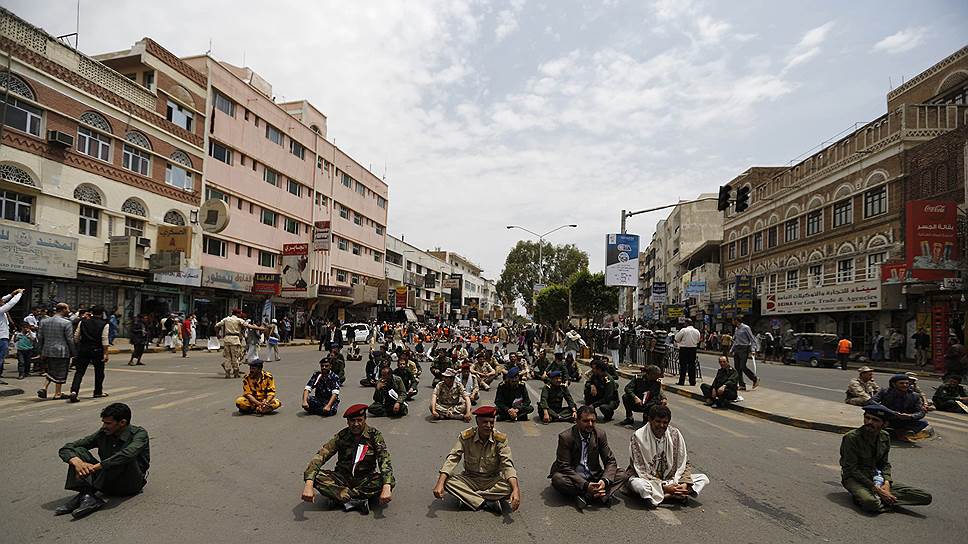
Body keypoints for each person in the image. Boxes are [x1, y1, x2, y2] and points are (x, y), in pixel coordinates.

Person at [55, 403, 149, 519]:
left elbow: (127, 454)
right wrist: (76, 462)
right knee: (79, 452)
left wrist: (93, 468)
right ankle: (86, 495)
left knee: (123, 457)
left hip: (129, 485)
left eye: (108, 423)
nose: (104, 426)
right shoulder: (103, 433)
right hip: (107, 482)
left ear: (122, 423)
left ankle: (86, 495)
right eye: (103, 422)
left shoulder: (139, 434)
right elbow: (68, 447)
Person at [301, 404, 395, 514]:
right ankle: (358, 501)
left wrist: (386, 487)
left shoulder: (374, 435)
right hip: (342, 479)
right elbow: (321, 456)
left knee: (388, 480)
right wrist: (308, 484)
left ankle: (339, 498)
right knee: (315, 477)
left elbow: (384, 459)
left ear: (365, 419)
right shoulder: (342, 436)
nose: (356, 424)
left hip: (365, 479)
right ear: (347, 422)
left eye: (359, 420)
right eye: (352, 421)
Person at [839, 405, 932, 514]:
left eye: (875, 420)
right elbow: (851, 469)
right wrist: (877, 489)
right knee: (870, 503)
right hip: (854, 478)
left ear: (885, 424)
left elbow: (884, 464)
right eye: (867, 418)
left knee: (925, 497)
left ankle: (882, 499)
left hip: (876, 476)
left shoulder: (885, 436)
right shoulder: (852, 437)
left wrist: (887, 483)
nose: (869, 422)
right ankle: (876, 498)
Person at [433, 405, 521, 514]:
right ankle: (487, 502)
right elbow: (453, 458)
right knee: (447, 482)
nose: (488, 426)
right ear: (477, 422)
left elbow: (507, 465)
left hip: (491, 480)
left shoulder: (500, 439)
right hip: (470, 479)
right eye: (485, 422)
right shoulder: (466, 436)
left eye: (491, 422)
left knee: (510, 487)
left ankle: (468, 498)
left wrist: (516, 490)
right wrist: (439, 483)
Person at [628, 405, 709, 506]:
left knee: (703, 478)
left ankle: (664, 496)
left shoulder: (675, 434)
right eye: (658, 421)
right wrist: (663, 487)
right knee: (638, 485)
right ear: (650, 420)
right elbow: (639, 470)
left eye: (665, 422)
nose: (661, 425)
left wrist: (684, 483)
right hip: (648, 480)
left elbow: (684, 462)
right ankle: (672, 495)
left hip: (671, 479)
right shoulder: (638, 437)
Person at [549, 405, 625, 509]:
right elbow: (564, 466)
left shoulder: (600, 434)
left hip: (594, 475)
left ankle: (587, 496)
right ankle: (600, 495)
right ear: (577, 421)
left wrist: (604, 481)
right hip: (574, 477)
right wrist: (585, 485)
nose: (590, 424)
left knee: (622, 474)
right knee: (558, 479)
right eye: (585, 421)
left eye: (592, 421)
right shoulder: (566, 437)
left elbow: (610, 460)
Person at [69, 305, 110, 402]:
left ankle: (74, 391)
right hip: (97, 350)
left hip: (84, 349)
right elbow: (105, 339)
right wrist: (106, 353)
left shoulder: (83, 322)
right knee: (99, 372)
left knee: (79, 372)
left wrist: (80, 345)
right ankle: (98, 392)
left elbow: (76, 337)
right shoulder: (104, 324)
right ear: (102, 313)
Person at [36, 303, 75, 400]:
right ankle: (57, 393)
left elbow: (40, 337)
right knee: (61, 372)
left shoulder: (44, 321)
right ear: (63, 309)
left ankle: (44, 388)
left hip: (47, 350)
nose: (69, 311)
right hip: (61, 350)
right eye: (67, 309)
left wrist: (40, 350)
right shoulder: (66, 323)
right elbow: (69, 339)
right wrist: (74, 352)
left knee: (51, 370)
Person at [872, 374, 929, 440]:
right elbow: (871, 402)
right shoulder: (884, 392)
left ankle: (900, 432)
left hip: (904, 419)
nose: (905, 385)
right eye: (901, 383)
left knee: (924, 423)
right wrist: (891, 412)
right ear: (893, 384)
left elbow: (921, 412)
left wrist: (910, 416)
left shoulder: (914, 396)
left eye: (907, 383)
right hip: (886, 417)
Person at [0, 288, 25, 384]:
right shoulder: (1, 310)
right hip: (1, 338)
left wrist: (11, 294)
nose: (3, 300)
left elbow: (4, 299)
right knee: (1, 358)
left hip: (2, 337)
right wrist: (19, 294)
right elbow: (10, 304)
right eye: (1, 301)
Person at [729, 316, 759, 391]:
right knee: (737, 367)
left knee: (742, 366)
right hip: (737, 348)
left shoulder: (746, 328)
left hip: (744, 348)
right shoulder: (736, 329)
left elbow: (752, 339)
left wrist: (753, 350)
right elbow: (735, 340)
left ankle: (754, 379)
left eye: (733, 320)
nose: (732, 322)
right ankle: (742, 385)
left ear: (736, 320)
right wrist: (732, 349)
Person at [216, 310, 249, 378]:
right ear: (237, 314)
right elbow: (248, 326)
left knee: (228, 357)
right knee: (235, 357)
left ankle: (227, 373)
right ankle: (236, 372)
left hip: (227, 339)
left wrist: (217, 334)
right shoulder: (238, 320)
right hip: (235, 339)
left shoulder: (226, 319)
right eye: (239, 314)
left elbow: (216, 325)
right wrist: (259, 328)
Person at [674, 319, 701, 386]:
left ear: (686, 323)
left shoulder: (683, 330)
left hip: (684, 349)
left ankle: (681, 381)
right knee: (692, 365)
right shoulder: (697, 331)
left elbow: (677, 338)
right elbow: (698, 340)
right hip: (693, 349)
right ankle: (692, 382)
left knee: (683, 366)